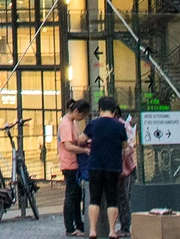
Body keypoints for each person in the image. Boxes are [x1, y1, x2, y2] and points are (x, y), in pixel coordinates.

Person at [83, 98, 131, 239]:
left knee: (94, 199)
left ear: (100, 109)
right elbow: (125, 146)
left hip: (95, 166)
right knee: (112, 199)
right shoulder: (119, 126)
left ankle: (93, 230)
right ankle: (112, 231)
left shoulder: (93, 124)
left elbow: (81, 139)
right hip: (113, 167)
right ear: (114, 110)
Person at [56, 100, 91, 237]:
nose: (82, 118)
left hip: (73, 163)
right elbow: (68, 146)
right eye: (82, 115)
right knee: (71, 196)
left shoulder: (72, 123)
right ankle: (70, 227)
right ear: (76, 111)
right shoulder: (66, 124)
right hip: (69, 164)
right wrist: (84, 151)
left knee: (76, 196)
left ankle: (78, 224)